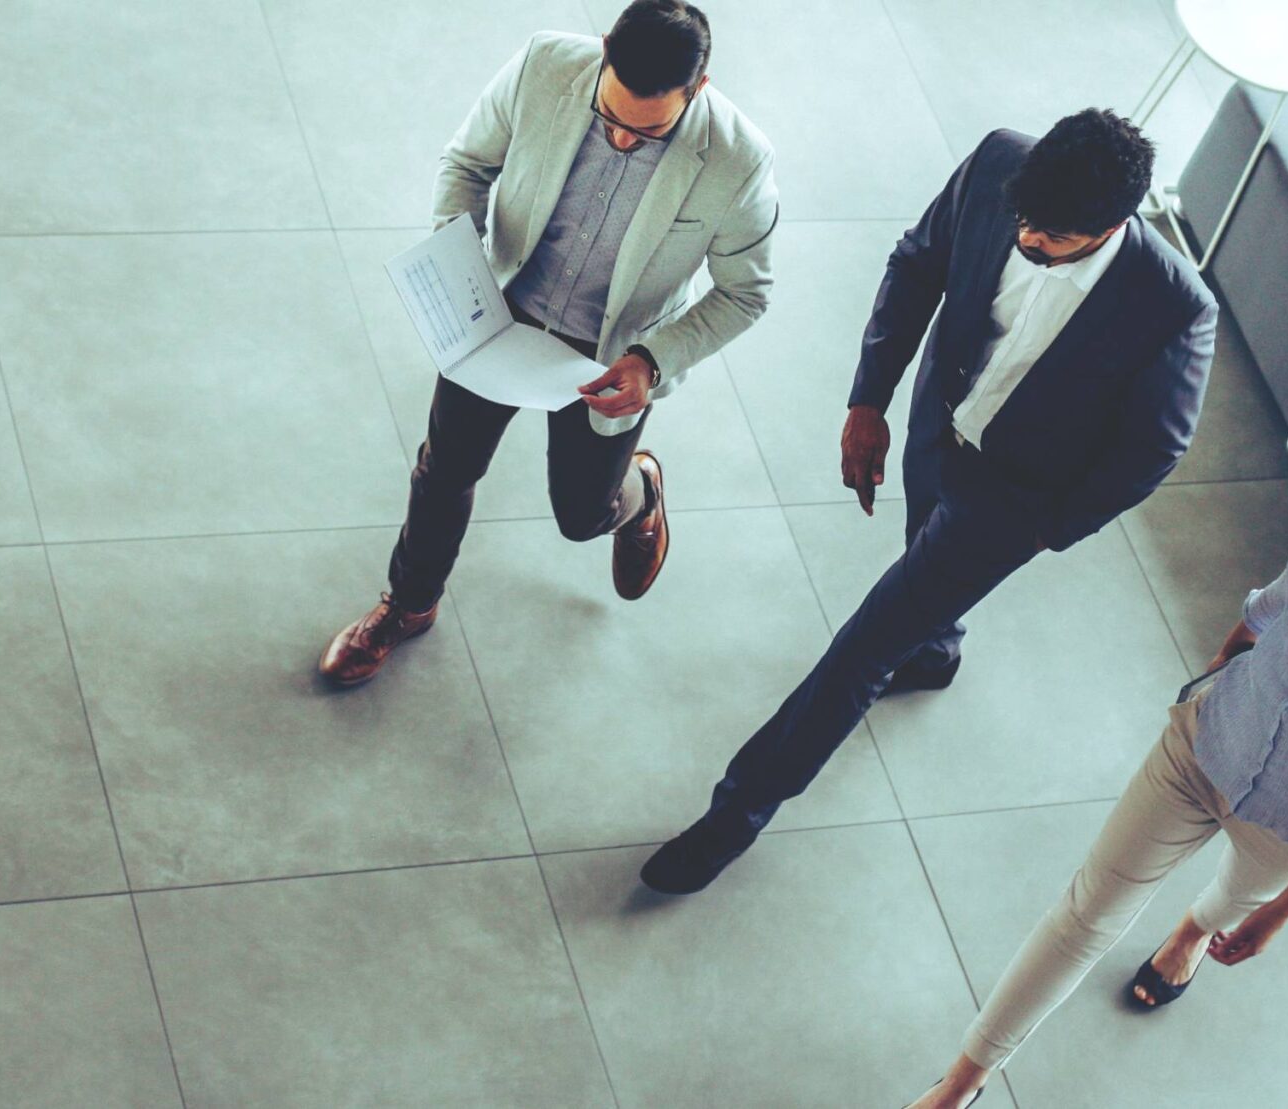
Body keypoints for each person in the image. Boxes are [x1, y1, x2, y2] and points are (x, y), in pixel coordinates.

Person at [639, 108, 1217, 892]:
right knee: (919, 559)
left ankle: (735, 813)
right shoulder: (996, 165)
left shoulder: (1176, 307)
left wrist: (1045, 527)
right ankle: (937, 649)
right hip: (935, 425)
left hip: (1013, 500)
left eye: (1047, 238)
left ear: (1112, 226)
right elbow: (918, 265)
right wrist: (869, 400)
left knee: (862, 647)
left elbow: (1154, 449)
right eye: (1023, 220)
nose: (1025, 239)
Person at [902, 479, 1288, 1109]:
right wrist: (1217, 678)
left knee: (1229, 907)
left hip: (1285, 826)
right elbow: (1255, 620)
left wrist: (1275, 914)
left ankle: (1189, 934)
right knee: (1084, 915)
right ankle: (962, 1085)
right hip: (1197, 755)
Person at [319, 0, 779, 686]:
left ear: (698, 90)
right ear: (601, 55)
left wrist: (652, 362)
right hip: (499, 314)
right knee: (445, 469)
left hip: (611, 358)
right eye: (611, 118)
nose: (623, 140)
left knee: (580, 515)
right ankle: (408, 605)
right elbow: (467, 164)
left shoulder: (738, 161)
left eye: (647, 133)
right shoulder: (544, 65)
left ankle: (640, 491)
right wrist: (457, 259)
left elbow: (747, 292)